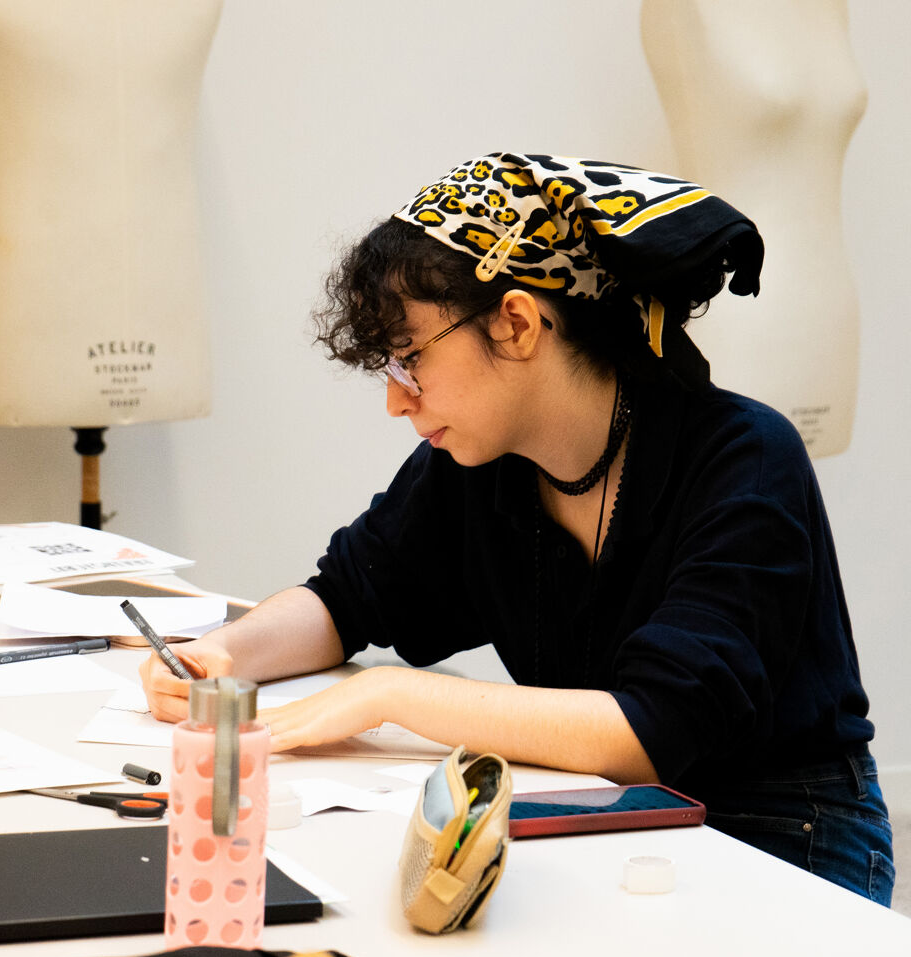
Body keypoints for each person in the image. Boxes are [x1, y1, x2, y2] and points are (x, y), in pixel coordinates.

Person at [140, 152, 895, 904]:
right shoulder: (477, 463)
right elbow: (344, 597)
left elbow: (648, 731)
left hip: (781, 830)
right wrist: (224, 655)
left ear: (517, 322)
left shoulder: (745, 458)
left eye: (409, 360)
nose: (397, 402)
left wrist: (390, 696)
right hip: (610, 812)